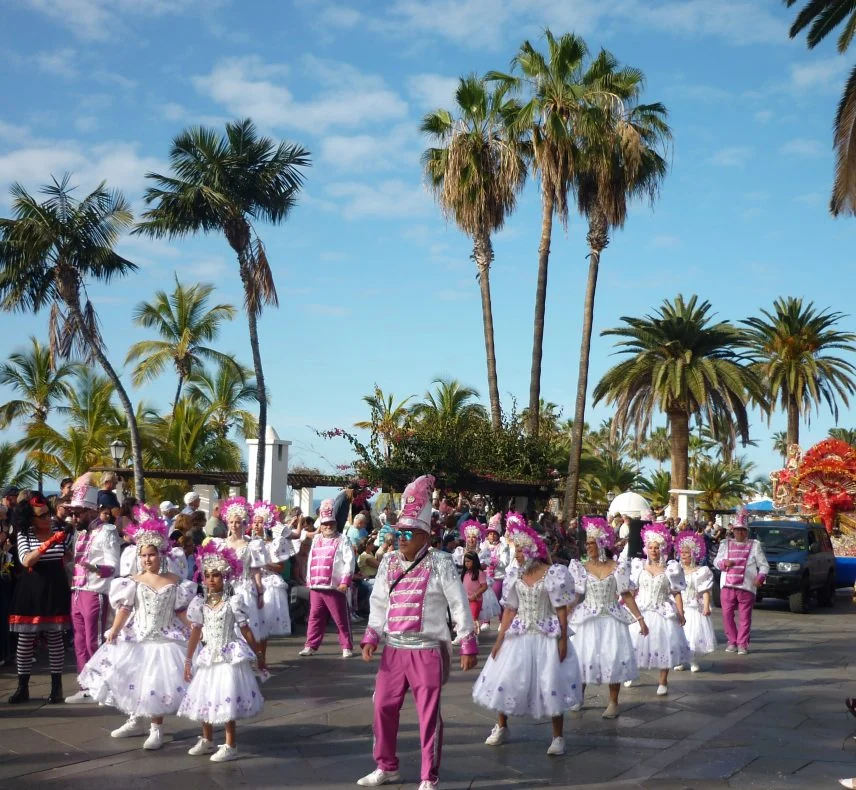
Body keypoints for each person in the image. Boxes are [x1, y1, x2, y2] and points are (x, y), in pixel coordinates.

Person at [357, 475, 478, 790]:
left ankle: (428, 776)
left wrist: (467, 641)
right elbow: (379, 602)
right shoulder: (388, 565)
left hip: (426, 651)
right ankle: (386, 766)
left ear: (425, 536)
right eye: (399, 533)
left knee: (428, 717)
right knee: (382, 706)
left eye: (408, 533)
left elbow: (459, 603)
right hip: (394, 650)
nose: (401, 538)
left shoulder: (440, 563)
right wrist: (372, 636)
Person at [79, 515, 196, 749]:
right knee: (133, 679)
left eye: (151, 554)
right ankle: (134, 720)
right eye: (143, 555)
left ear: (161, 555)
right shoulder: (132, 580)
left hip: (166, 637)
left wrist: (193, 626)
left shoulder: (174, 580)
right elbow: (125, 608)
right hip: (138, 637)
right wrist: (113, 630)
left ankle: (156, 729)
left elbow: (181, 610)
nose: (147, 559)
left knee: (156, 683)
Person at [474, 512, 582, 757]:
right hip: (519, 634)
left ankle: (558, 736)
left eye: (523, 550)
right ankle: (501, 726)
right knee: (506, 678)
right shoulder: (515, 574)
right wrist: (499, 641)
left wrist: (563, 640)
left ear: (534, 550)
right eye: (517, 551)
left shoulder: (553, 573)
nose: (519, 555)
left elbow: (561, 610)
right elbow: (510, 610)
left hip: (546, 635)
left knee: (551, 681)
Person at [178, 541, 265, 762]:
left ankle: (230, 744)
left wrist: (259, 654)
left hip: (228, 656)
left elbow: (246, 630)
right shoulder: (200, 604)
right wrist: (188, 659)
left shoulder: (233, 602)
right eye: (207, 576)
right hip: (209, 656)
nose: (210, 580)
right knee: (205, 696)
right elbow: (196, 633)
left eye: (215, 575)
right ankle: (206, 739)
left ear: (224, 578)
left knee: (226, 699)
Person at [569, 517, 646, 718]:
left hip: (612, 618)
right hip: (587, 618)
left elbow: (626, 595)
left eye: (592, 543)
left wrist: (640, 618)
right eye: (587, 543)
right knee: (584, 657)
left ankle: (613, 702)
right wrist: (564, 615)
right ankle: (579, 696)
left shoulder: (618, 568)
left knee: (613, 658)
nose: (588, 547)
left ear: (602, 544)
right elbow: (575, 597)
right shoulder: (581, 568)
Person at [8, 494, 73, 704]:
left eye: (48, 513)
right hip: (32, 589)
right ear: (30, 518)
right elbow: (27, 560)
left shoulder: (59, 530)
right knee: (25, 641)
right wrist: (49, 543)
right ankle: (23, 686)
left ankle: (56, 687)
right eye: (41, 515)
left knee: (55, 638)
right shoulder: (24, 534)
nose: (47, 518)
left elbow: (70, 557)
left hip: (55, 587)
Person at [66, 478, 120, 704]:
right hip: (77, 591)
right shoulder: (81, 532)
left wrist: (95, 568)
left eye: (78, 513)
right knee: (79, 641)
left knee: (94, 641)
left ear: (90, 511)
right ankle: (86, 685)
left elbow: (114, 565)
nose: (74, 517)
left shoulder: (107, 531)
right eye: (73, 513)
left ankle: (101, 686)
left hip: (95, 592)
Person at [627, 524, 689, 697]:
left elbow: (676, 593)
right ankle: (631, 673)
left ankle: (663, 680)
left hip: (663, 610)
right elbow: (631, 590)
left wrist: (681, 612)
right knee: (632, 644)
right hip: (642, 608)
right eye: (650, 547)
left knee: (664, 645)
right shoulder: (638, 567)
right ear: (646, 549)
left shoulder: (671, 569)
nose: (653, 550)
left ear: (662, 549)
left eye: (656, 548)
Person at [299, 499, 356, 658]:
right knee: (314, 617)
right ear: (320, 526)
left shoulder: (343, 539)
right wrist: (309, 580)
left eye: (330, 523)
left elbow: (349, 561)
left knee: (340, 618)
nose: (328, 526)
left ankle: (346, 646)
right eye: (325, 524)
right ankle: (310, 645)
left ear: (335, 524)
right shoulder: (316, 539)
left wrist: (345, 581)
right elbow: (311, 559)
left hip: (334, 587)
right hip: (316, 586)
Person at [713, 512, 768, 654]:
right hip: (727, 586)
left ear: (746, 532)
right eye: (737, 530)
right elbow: (716, 561)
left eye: (742, 530)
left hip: (747, 586)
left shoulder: (755, 546)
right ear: (733, 531)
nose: (739, 533)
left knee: (745, 616)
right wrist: (724, 563)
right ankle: (732, 641)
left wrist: (760, 578)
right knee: (726, 615)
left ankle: (742, 643)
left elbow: (764, 565)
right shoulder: (726, 544)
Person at [250, 500, 294, 663]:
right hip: (250, 583)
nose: (256, 525)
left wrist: (264, 563)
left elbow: (280, 567)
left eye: (259, 523)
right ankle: (253, 654)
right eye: (254, 522)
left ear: (266, 525)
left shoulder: (273, 544)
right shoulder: (247, 542)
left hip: (268, 583)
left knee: (263, 623)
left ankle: (261, 656)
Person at [222, 497, 264, 646]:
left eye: (238, 522)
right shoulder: (222, 544)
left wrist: (260, 592)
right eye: (232, 522)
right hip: (227, 587)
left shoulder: (250, 545)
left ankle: (253, 658)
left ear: (243, 523)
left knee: (248, 624)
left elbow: (255, 569)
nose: (234, 525)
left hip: (245, 587)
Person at [672, 529, 716, 673]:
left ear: (693, 554)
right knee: (678, 636)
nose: (683, 555)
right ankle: (680, 660)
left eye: (686, 553)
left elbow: (705, 590)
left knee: (692, 635)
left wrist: (706, 606)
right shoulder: (675, 570)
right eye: (682, 553)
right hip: (679, 607)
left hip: (693, 607)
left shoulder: (701, 571)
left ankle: (692, 660)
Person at [461, 552, 488, 624]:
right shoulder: (465, 573)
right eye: (465, 561)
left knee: (473, 620)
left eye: (468, 561)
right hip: (466, 600)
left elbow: (484, 587)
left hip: (475, 601)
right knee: (465, 620)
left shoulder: (479, 573)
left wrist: (475, 595)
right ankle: (469, 634)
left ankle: (473, 634)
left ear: (474, 561)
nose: (466, 563)